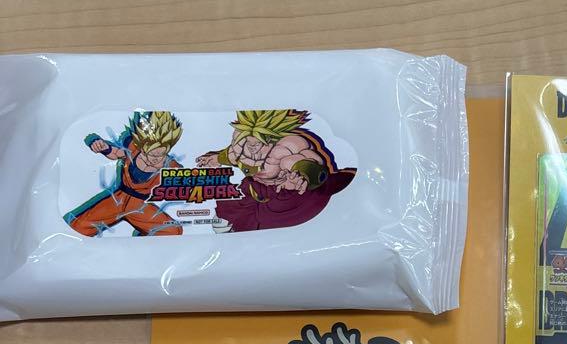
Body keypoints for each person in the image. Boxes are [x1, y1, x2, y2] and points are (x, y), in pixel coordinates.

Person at [197, 109, 354, 231]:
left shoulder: (285, 147)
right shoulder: (241, 144)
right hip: (256, 189)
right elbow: (232, 156)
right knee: (225, 215)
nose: (251, 147)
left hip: (286, 192)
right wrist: (216, 158)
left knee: (272, 220)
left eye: (257, 143)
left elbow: (306, 160)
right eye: (247, 141)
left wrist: (302, 176)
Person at [66, 111, 183, 236]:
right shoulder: (133, 148)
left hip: (139, 207)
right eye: (150, 153)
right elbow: (115, 153)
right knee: (77, 227)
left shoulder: (172, 167)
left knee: (172, 230)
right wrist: (102, 146)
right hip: (117, 200)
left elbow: (184, 184)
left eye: (160, 154)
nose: (153, 159)